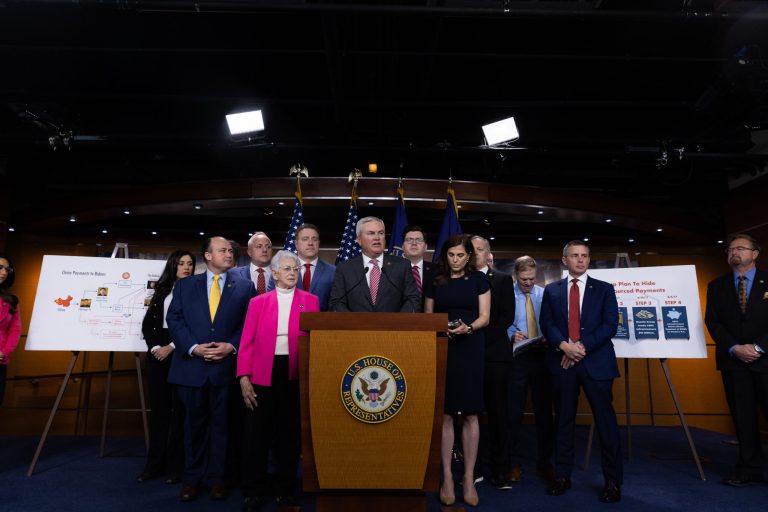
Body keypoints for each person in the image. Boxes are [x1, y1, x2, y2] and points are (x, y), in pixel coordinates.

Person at [167, 237, 256, 502]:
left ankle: (218, 479)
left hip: (225, 369)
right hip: (192, 369)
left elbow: (249, 323)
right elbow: (175, 318)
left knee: (223, 427)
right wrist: (193, 347)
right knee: (193, 428)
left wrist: (232, 346)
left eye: (230, 250)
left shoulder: (245, 286)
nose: (229, 254)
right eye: (222, 250)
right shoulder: (185, 285)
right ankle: (191, 480)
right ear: (207, 255)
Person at [539, 240, 622, 503]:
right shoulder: (552, 290)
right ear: (564, 260)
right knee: (563, 421)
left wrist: (579, 348)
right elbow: (547, 323)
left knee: (606, 424)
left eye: (584, 255)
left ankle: (613, 481)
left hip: (596, 363)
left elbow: (610, 325)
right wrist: (564, 346)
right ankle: (562, 476)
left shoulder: (605, 289)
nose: (580, 260)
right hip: (563, 363)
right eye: (574, 255)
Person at [237, 250, 320, 511]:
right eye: (286, 269)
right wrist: (243, 377)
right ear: (274, 273)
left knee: (289, 435)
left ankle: (285, 491)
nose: (292, 273)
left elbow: (315, 340)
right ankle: (253, 491)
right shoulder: (258, 302)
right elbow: (247, 342)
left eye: (295, 269)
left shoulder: (311, 301)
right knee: (257, 435)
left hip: (295, 372)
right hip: (262, 373)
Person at [424, 234, 490, 507]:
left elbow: (485, 316)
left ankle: (469, 477)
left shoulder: (479, 280)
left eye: (460, 255)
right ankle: (448, 478)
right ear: (445, 256)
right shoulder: (435, 279)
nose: (455, 260)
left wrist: (468, 328)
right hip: (443, 347)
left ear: (469, 256)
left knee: (471, 414)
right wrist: (442, 329)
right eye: (451, 255)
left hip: (471, 347)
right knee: (446, 414)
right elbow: (428, 316)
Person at [705, 233, 768, 487]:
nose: (734, 252)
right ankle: (749, 469)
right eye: (731, 249)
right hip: (733, 362)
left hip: (766, 360)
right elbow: (713, 322)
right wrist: (734, 347)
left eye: (740, 248)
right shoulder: (716, 286)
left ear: (755, 253)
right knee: (743, 418)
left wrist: (759, 347)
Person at [137, 250, 195, 484]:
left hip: (181, 354)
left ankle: (175, 467)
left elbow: (194, 326)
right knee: (159, 413)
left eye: (190, 264)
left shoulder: (196, 292)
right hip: (157, 357)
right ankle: (154, 465)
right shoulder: (161, 291)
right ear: (173, 265)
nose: (186, 267)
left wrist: (171, 347)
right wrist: (155, 348)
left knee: (180, 413)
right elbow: (147, 325)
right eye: (181, 263)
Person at [470, 236, 516, 490]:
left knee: (498, 414)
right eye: (471, 249)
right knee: (469, 415)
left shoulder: (502, 279)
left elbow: (506, 318)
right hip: (466, 356)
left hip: (495, 355)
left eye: (479, 249)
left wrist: (477, 339)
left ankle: (501, 470)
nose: (475, 253)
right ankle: (473, 470)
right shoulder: (460, 279)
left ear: (488, 254)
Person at [506, 256, 555, 482]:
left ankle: (545, 463)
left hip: (541, 357)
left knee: (544, 413)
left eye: (532, 279)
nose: (528, 283)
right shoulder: (507, 294)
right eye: (524, 279)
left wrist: (549, 337)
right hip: (517, 358)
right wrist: (511, 334)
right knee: (513, 413)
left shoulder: (544, 294)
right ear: (516, 275)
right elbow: (500, 321)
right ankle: (511, 463)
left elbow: (552, 321)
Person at [329, 216, 420, 313]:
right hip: (355, 323)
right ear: (359, 240)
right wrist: (353, 321)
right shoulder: (345, 268)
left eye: (381, 233)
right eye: (371, 233)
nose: (377, 238)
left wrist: (397, 320)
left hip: (393, 323)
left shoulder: (402, 265)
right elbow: (336, 302)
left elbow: (412, 300)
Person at [294, 224, 335, 311]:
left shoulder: (333, 271)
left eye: (314, 239)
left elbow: (335, 305)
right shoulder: (281, 270)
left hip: (321, 319)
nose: (310, 243)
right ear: (296, 244)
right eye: (305, 239)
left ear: (318, 243)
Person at [0, 255, 21, 407]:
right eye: (0, 268)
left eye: (7, 269)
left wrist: (5, 352)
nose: (4, 272)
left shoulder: (11, 300)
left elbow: (15, 329)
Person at [402, 225, 434, 309]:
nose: (414, 243)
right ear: (403, 247)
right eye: (409, 240)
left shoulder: (437, 270)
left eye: (419, 240)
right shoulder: (392, 270)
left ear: (426, 247)